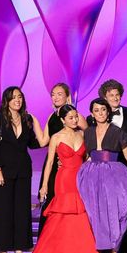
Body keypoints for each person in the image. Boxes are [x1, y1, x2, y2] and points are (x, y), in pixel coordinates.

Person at [25, 104, 105, 253]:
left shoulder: (83, 134)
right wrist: (44, 185)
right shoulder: (56, 137)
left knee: (81, 218)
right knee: (61, 217)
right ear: (62, 120)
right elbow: (50, 163)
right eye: (71, 118)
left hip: (80, 180)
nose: (75, 120)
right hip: (63, 180)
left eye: (76, 116)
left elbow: (88, 157)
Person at [77, 98, 127, 253]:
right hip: (92, 177)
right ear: (92, 113)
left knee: (116, 216)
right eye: (96, 110)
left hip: (113, 175)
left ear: (108, 112)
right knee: (96, 217)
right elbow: (87, 155)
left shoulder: (117, 131)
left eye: (103, 110)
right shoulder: (88, 132)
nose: (100, 113)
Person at [0, 87, 48, 253]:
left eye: (20, 97)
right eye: (13, 98)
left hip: (22, 171)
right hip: (3, 171)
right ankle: (3, 252)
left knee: (22, 211)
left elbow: (34, 144)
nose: (17, 100)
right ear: (6, 100)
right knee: (3, 211)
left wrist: (37, 124)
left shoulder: (26, 119)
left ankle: (20, 250)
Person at [95, 79, 127, 253]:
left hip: (124, 168)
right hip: (102, 169)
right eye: (110, 95)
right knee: (104, 211)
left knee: (123, 211)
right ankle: (103, 252)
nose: (115, 97)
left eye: (117, 94)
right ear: (104, 97)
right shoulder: (94, 118)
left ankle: (123, 252)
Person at [38, 83, 88, 235]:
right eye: (53, 94)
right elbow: (43, 141)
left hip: (75, 166)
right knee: (52, 202)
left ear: (68, 97)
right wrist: (33, 121)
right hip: (55, 166)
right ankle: (49, 238)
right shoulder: (52, 117)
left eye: (59, 94)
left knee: (75, 204)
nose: (55, 97)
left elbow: (90, 137)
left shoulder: (76, 117)